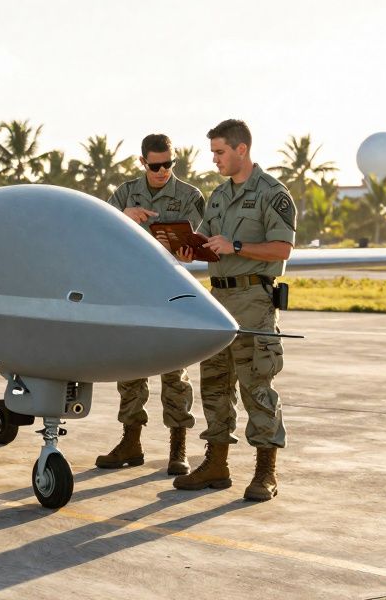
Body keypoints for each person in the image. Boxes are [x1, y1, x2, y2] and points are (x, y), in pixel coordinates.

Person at [173, 119, 294, 501]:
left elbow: (282, 249)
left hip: (253, 301)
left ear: (241, 150)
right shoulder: (219, 197)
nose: (214, 160)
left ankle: (265, 473)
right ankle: (216, 464)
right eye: (213, 153)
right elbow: (211, 241)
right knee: (214, 383)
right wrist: (190, 249)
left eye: (220, 152)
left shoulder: (273, 194)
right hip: (217, 299)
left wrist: (237, 247)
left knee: (256, 385)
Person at [96, 133, 205, 476]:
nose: (162, 171)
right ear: (143, 162)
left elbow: (198, 241)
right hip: (133, 293)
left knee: (175, 372)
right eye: (155, 165)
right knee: (131, 371)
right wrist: (123, 215)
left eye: (168, 164)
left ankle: (178, 448)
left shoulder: (190, 196)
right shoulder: (125, 194)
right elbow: (99, 231)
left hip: (172, 293)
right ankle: (131, 442)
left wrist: (189, 250)